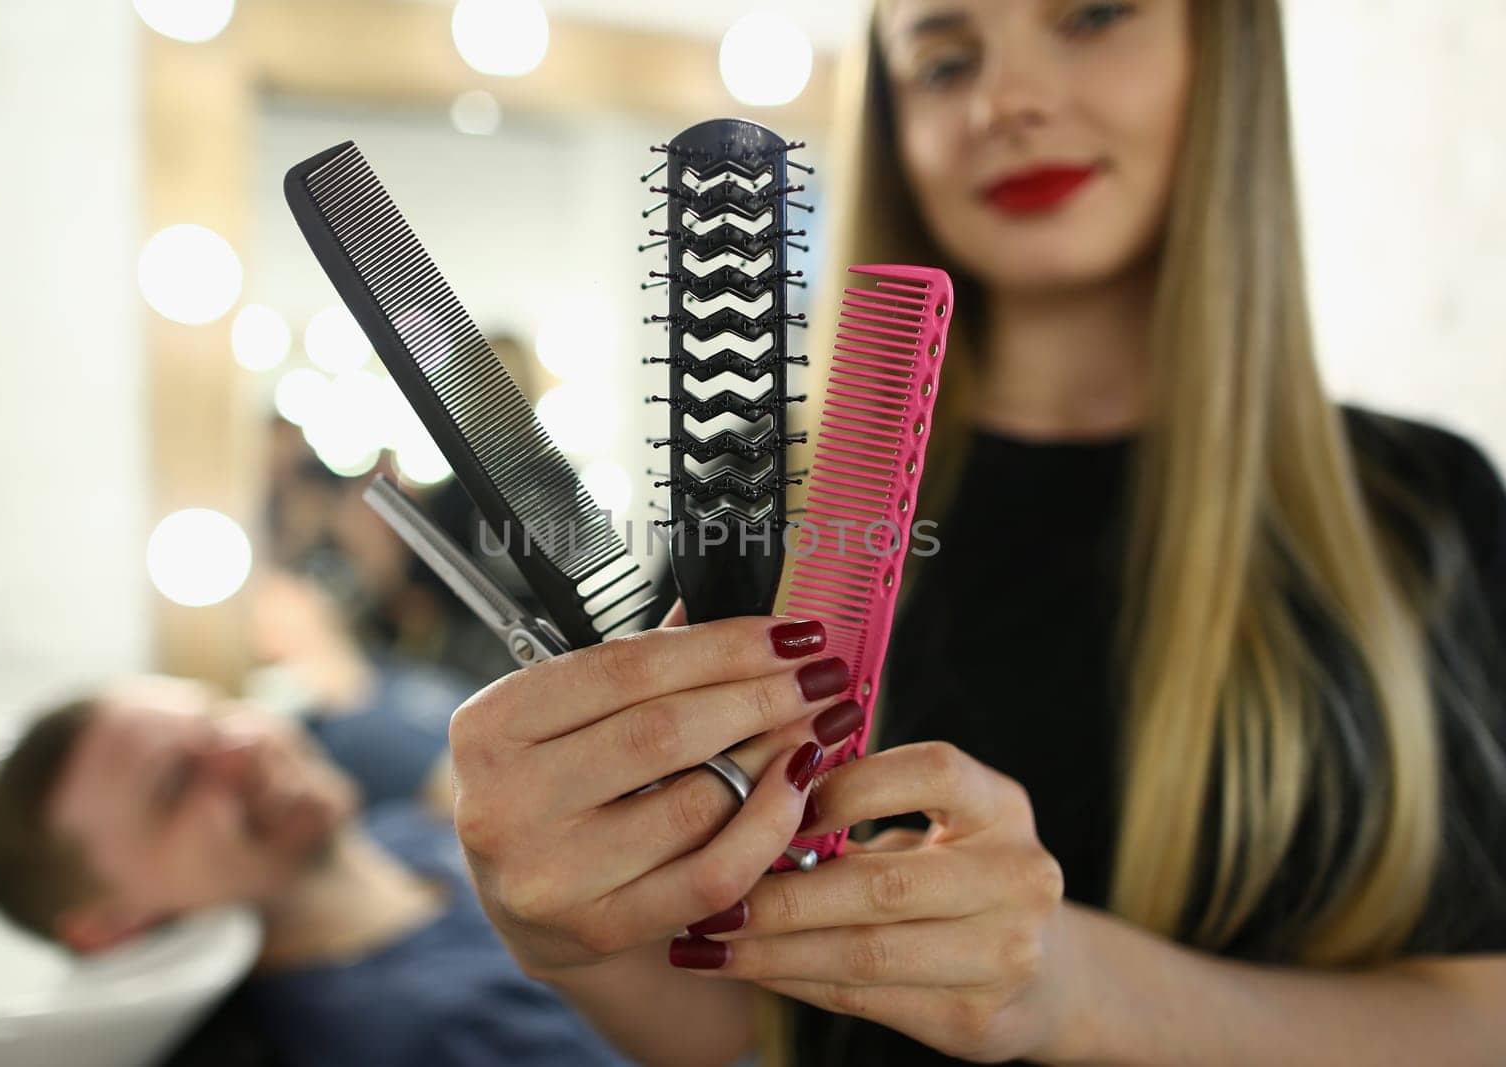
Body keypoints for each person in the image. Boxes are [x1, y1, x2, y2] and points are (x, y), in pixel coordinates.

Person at [441, 1, 1506, 1064]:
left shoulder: (1418, 508)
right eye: (945, 62)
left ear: (1226, 48)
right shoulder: (760, 496)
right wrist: (574, 939)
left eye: (1091, 17)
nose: (1007, 101)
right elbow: (746, 1029)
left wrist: (1076, 985)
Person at [0, 675, 631, 1067]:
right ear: (108, 923)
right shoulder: (404, 1037)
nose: (243, 748)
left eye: (217, 717)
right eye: (175, 784)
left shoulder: (408, 828)